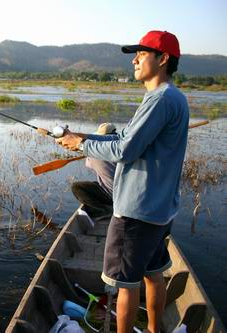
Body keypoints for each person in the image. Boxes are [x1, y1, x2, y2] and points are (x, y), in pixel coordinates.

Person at [58, 30, 189, 333]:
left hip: (136, 212)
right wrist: (84, 137)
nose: (135, 60)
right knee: (153, 275)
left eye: (141, 54)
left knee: (125, 284)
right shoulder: (173, 97)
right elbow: (124, 137)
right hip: (160, 211)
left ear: (163, 58)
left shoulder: (159, 100)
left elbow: (123, 150)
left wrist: (82, 146)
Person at [71, 123, 117, 218]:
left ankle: (103, 210)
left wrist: (88, 152)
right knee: (97, 183)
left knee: (76, 187)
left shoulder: (95, 154)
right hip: (125, 193)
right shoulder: (122, 150)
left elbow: (89, 165)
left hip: (113, 196)